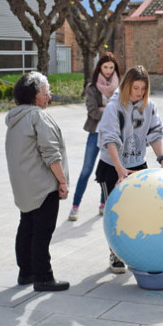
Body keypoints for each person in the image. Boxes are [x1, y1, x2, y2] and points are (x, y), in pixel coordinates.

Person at [96, 65, 163, 273]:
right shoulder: (114, 107)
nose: (139, 92)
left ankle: (135, 250)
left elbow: (155, 133)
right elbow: (110, 138)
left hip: (137, 165)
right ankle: (115, 254)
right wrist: (120, 169)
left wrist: (162, 160)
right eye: (136, 87)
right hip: (112, 166)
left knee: (138, 212)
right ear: (127, 85)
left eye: (143, 88)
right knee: (115, 213)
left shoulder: (149, 106)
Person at [4, 72, 70, 292]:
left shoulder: (15, 118)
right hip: (43, 186)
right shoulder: (38, 116)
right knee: (42, 233)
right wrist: (62, 181)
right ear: (34, 95)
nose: (49, 96)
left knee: (27, 228)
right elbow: (51, 153)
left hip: (24, 186)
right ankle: (43, 277)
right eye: (45, 92)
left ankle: (26, 272)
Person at [69, 52, 120, 221]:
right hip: (95, 133)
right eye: (105, 67)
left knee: (106, 171)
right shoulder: (92, 87)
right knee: (86, 171)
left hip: (112, 135)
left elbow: (121, 112)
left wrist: (104, 110)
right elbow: (92, 112)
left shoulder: (119, 88)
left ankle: (103, 203)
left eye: (111, 68)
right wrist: (109, 112)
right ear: (99, 67)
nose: (108, 70)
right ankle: (75, 207)